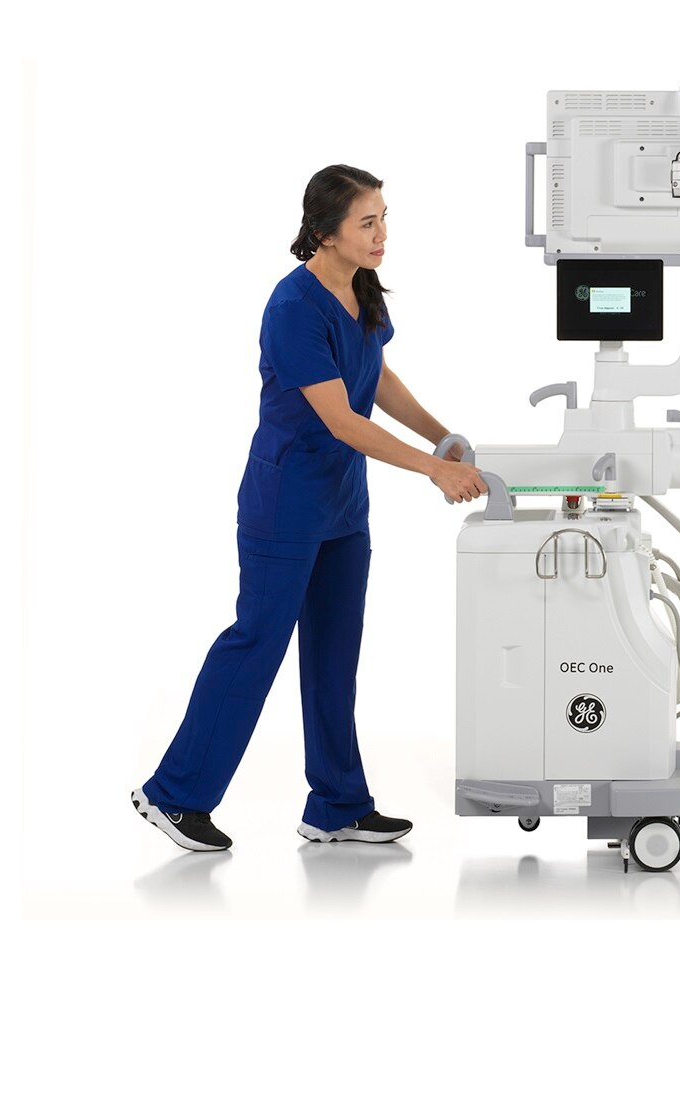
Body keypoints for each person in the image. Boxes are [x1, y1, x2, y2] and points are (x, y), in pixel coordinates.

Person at [132, 165, 487, 852]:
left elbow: (376, 374)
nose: (382, 235)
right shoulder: (293, 307)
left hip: (342, 505)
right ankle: (174, 793)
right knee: (257, 641)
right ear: (324, 232)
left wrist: (439, 435)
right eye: (367, 223)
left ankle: (337, 804)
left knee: (334, 653)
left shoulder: (362, 286)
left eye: (384, 219)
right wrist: (434, 470)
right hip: (286, 501)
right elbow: (341, 419)